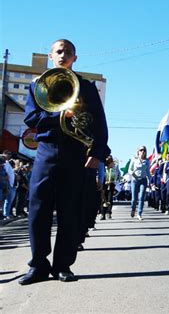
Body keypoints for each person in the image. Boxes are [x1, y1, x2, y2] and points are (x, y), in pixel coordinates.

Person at [20, 39, 108, 285]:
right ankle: (38, 265)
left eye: (68, 52)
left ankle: (63, 265)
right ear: (51, 55)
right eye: (59, 51)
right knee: (38, 211)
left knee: (70, 211)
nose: (63, 55)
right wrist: (58, 115)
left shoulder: (87, 87)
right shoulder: (38, 85)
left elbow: (99, 122)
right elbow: (31, 117)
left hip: (75, 153)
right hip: (46, 152)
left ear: (75, 58)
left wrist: (98, 151)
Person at [128, 146, 152, 220]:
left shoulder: (147, 161)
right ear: (138, 152)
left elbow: (148, 172)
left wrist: (151, 181)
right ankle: (133, 209)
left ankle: (139, 214)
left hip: (143, 180)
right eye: (141, 150)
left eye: (144, 150)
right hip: (135, 180)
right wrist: (133, 174)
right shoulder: (134, 159)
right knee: (134, 199)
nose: (142, 152)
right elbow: (129, 169)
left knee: (141, 197)